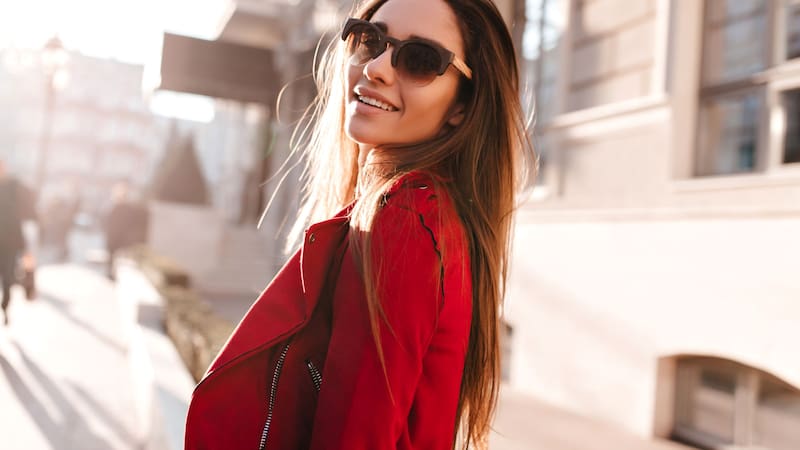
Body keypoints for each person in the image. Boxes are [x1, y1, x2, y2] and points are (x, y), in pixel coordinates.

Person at [184, 0, 534, 449]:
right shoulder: (422, 213)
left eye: (421, 61)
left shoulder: (405, 218)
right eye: (371, 40)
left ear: (461, 109)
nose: (379, 67)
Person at [0, 159, 31, 324]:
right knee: (7, 278)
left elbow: (28, 206)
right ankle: (5, 308)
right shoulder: (14, 185)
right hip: (11, 241)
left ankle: (5, 308)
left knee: (7, 279)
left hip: (10, 243)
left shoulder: (14, 185)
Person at [104, 181, 148, 278]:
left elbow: (119, 227)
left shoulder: (125, 209)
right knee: (113, 264)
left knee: (117, 265)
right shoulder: (116, 207)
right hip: (115, 242)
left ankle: (113, 275)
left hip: (119, 243)